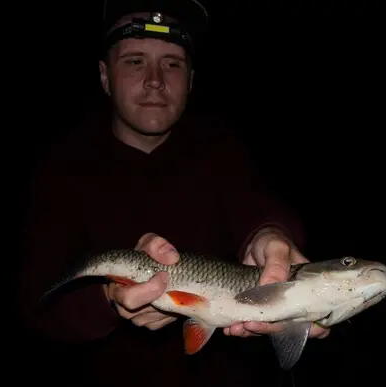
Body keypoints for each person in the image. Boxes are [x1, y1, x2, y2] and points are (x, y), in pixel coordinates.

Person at [17, 0, 329, 386]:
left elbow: (253, 202)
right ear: (103, 76)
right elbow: (38, 307)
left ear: (192, 79)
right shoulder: (60, 166)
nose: (154, 80)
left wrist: (269, 233)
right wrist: (107, 301)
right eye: (134, 61)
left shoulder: (219, 147)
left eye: (172, 63)